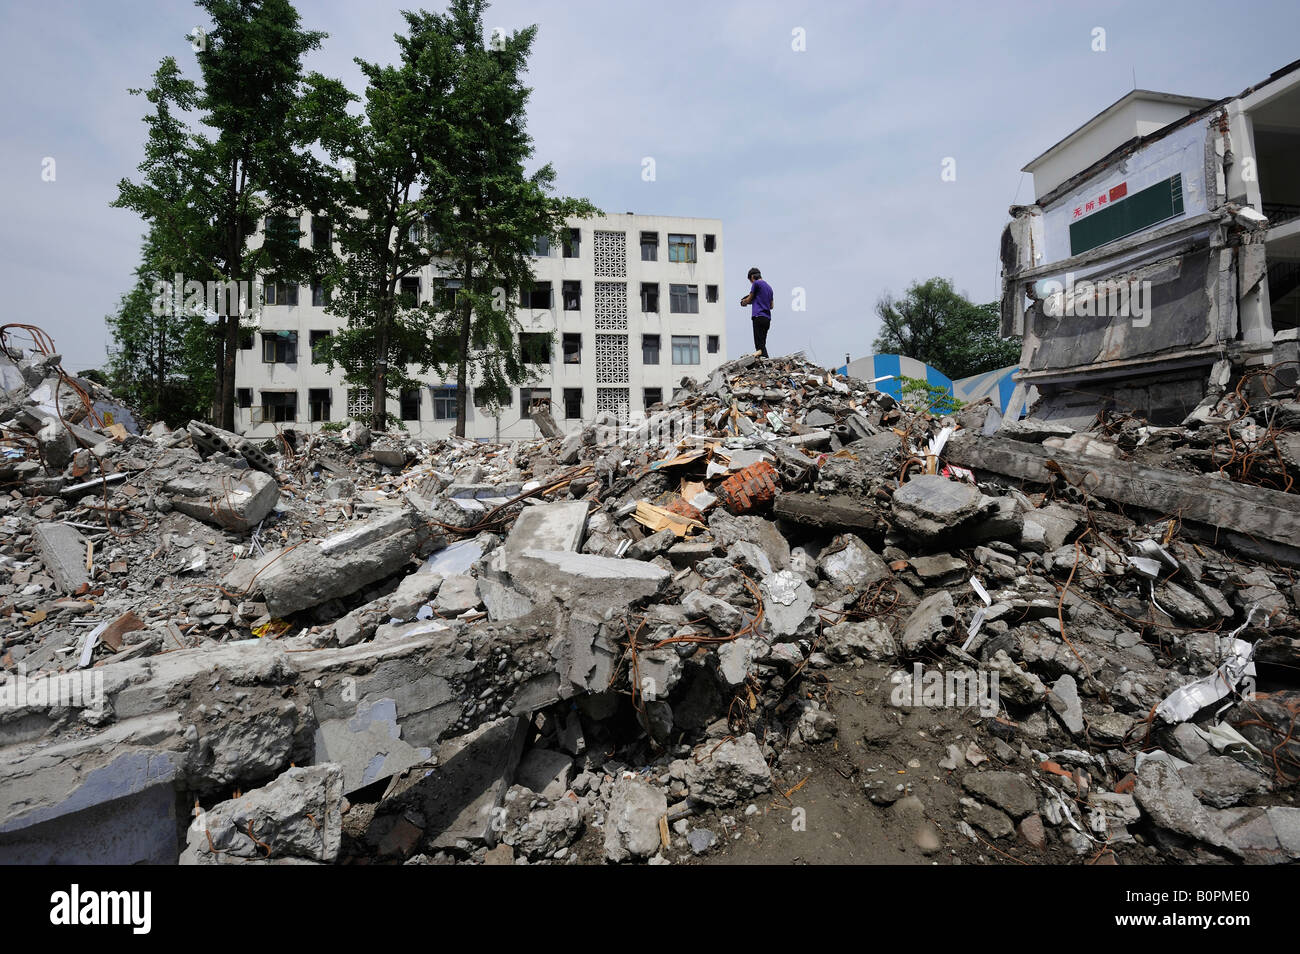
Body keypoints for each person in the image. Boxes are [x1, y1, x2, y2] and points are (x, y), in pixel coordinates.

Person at [739, 267, 773, 358]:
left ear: (753, 277)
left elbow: (750, 298)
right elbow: (771, 306)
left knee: (759, 346)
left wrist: (743, 302)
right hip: (767, 319)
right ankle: (766, 361)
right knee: (762, 344)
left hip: (758, 317)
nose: (751, 282)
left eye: (751, 280)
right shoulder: (769, 288)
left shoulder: (756, 283)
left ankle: (766, 362)